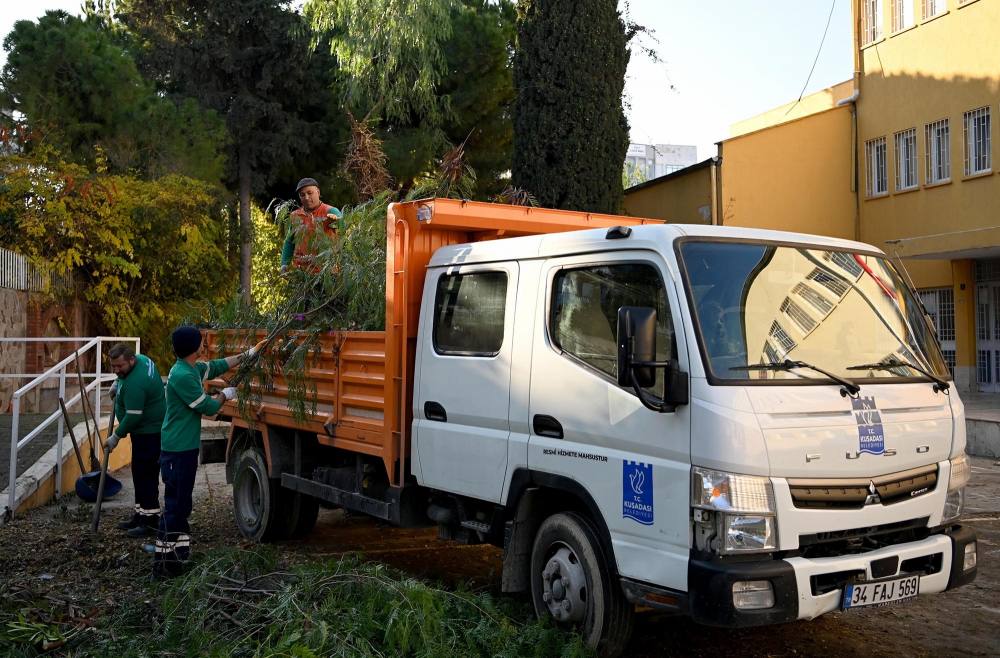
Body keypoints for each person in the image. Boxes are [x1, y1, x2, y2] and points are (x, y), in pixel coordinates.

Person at [153, 326, 265, 577]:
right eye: (201, 342)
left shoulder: (190, 368)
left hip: (183, 447)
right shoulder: (182, 376)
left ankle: (178, 555)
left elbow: (216, 366)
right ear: (195, 347)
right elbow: (208, 409)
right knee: (176, 506)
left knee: (182, 504)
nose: (204, 345)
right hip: (177, 450)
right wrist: (225, 395)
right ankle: (163, 564)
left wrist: (248, 354)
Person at [104, 344, 166, 538]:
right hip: (146, 431)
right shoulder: (141, 359)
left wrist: (115, 437)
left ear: (131, 360)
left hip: (149, 432)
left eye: (119, 366)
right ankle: (140, 515)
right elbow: (125, 379)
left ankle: (150, 521)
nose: (116, 370)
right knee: (139, 474)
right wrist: (118, 383)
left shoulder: (136, 383)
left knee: (146, 475)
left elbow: (133, 417)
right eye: (113, 366)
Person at [280, 177, 344, 273]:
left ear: (318, 192)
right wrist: (284, 264)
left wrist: (336, 222)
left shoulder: (330, 211)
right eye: (302, 195)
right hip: (301, 273)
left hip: (327, 272)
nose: (306, 197)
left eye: (310, 193)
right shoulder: (295, 216)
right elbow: (289, 241)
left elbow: (342, 228)